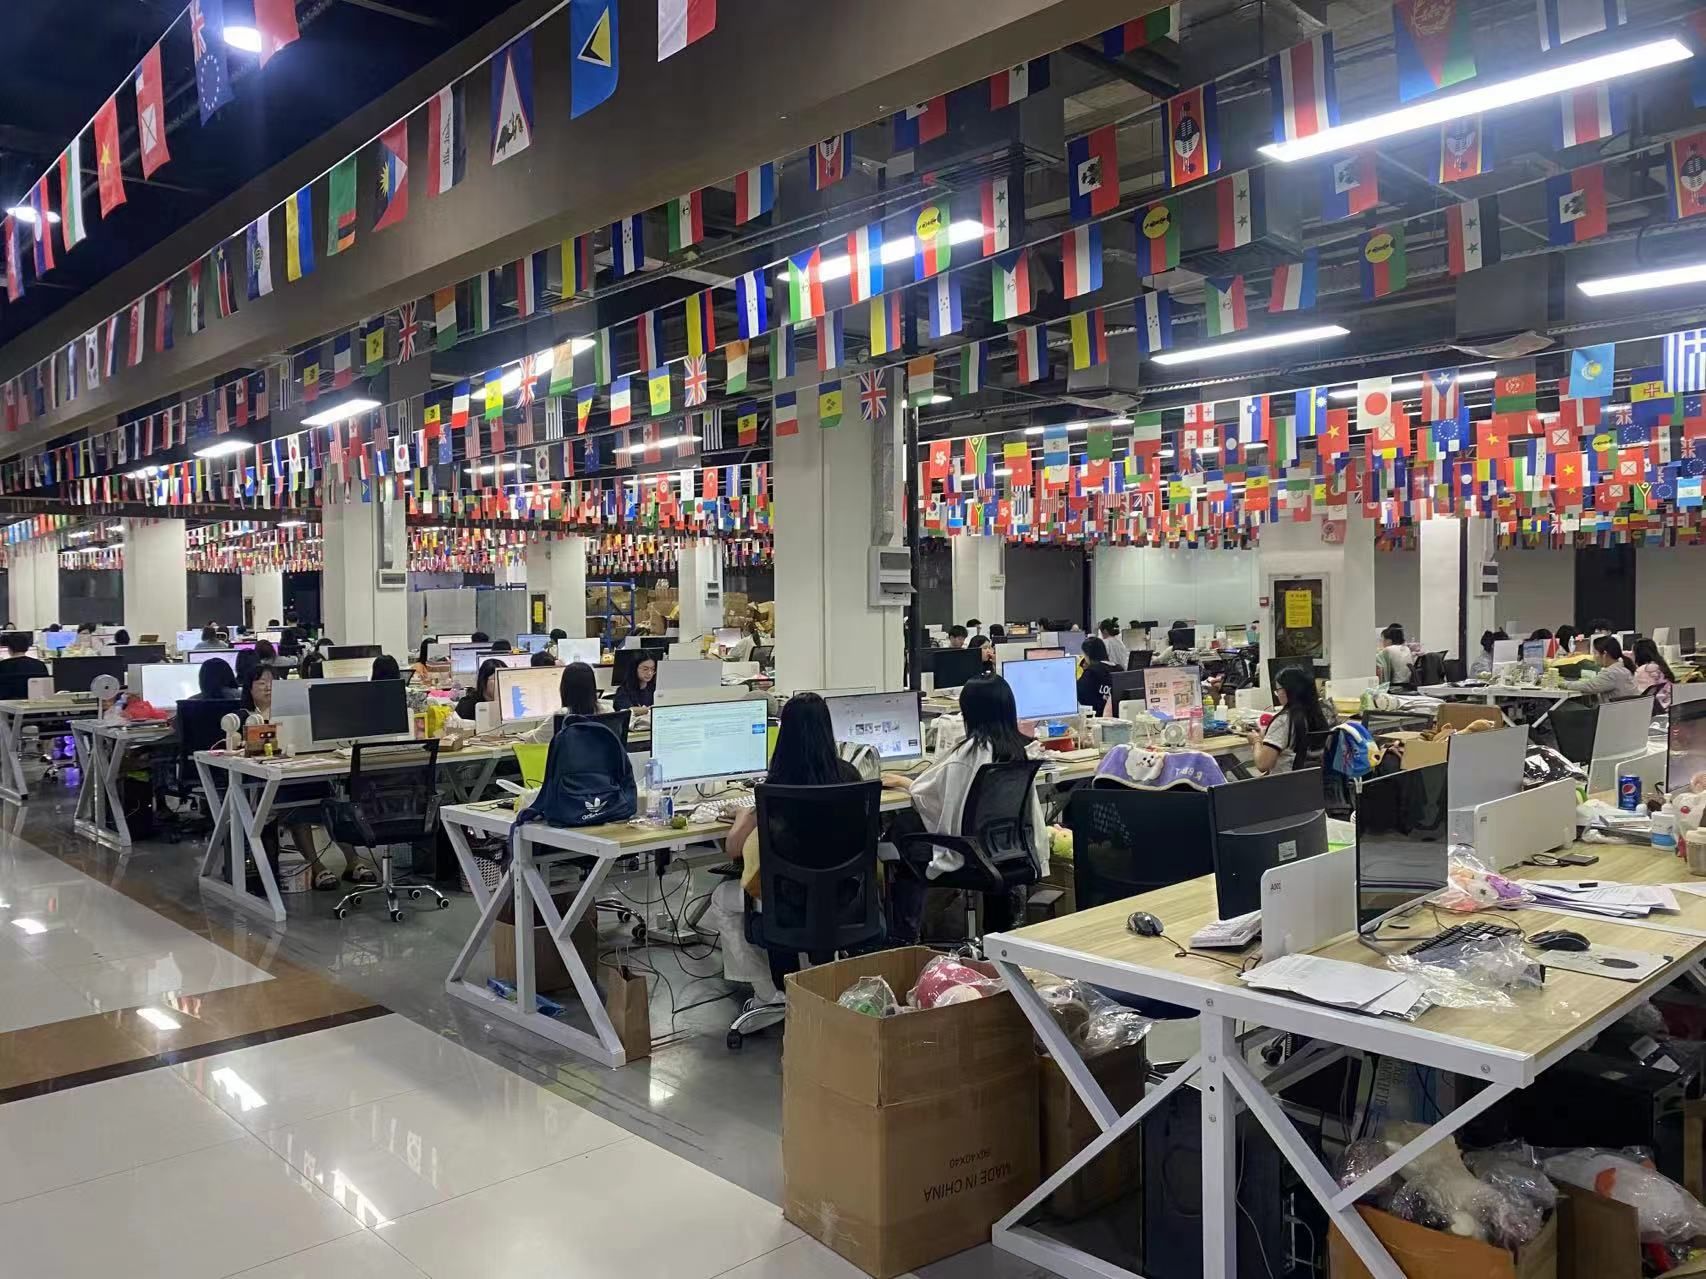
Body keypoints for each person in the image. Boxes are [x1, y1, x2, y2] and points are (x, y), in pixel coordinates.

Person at [883, 674, 1049, 943]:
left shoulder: (967, 755)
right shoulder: (1018, 750)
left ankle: (903, 938)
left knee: (902, 831)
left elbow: (929, 795)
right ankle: (994, 937)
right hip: (1006, 852)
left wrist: (903, 782)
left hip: (970, 855)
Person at [1248, 666, 1337, 775]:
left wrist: (1256, 741)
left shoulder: (1284, 721)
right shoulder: (1325, 712)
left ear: (1287, 691)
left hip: (1287, 782)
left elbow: (1263, 764)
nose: (1277, 694)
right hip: (1315, 781)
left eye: (1278, 690)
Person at [1561, 635, 1639, 700]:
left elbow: (1589, 686)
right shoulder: (1623, 666)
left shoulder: (1611, 673)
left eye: (1595, 653)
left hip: (1613, 711)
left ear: (1604, 654)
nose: (1593, 656)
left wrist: (1563, 683)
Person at [0, 632, 49, 700]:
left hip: (6, 704)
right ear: (27, 647)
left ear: (9, 648)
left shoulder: (2, 666)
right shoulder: (40, 665)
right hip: (34, 703)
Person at [1631, 638, 1675, 709]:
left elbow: (1641, 697)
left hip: (1655, 708)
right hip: (1669, 705)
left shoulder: (1643, 670)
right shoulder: (1660, 665)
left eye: (1633, 652)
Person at [1076, 636, 1116, 713]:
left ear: (1088, 655)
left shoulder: (1091, 672)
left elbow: (1078, 694)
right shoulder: (1119, 669)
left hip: (1096, 715)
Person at [1375, 623, 1414, 688]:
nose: (1382, 642)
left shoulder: (1388, 649)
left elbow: (1377, 661)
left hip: (1394, 686)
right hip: (1408, 685)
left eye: (1383, 640)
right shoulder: (1407, 648)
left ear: (1389, 640)